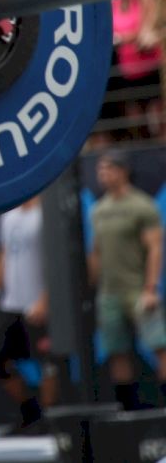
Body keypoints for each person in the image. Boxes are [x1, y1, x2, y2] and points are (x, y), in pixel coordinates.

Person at [89, 151, 166, 410]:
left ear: (123, 171)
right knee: (116, 352)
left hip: (138, 290)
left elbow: (155, 248)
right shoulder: (99, 210)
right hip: (110, 293)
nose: (102, 175)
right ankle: (128, 411)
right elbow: (97, 251)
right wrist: (96, 286)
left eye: (108, 169)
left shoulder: (142, 205)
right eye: (100, 170)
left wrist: (150, 288)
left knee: (159, 346)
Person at [0, 197, 57, 429]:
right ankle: (30, 412)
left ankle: (51, 419)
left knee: (47, 362)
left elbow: (55, 260)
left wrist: (45, 299)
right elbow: (3, 254)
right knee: (0, 360)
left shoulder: (45, 215)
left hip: (37, 302)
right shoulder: (8, 217)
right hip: (11, 302)